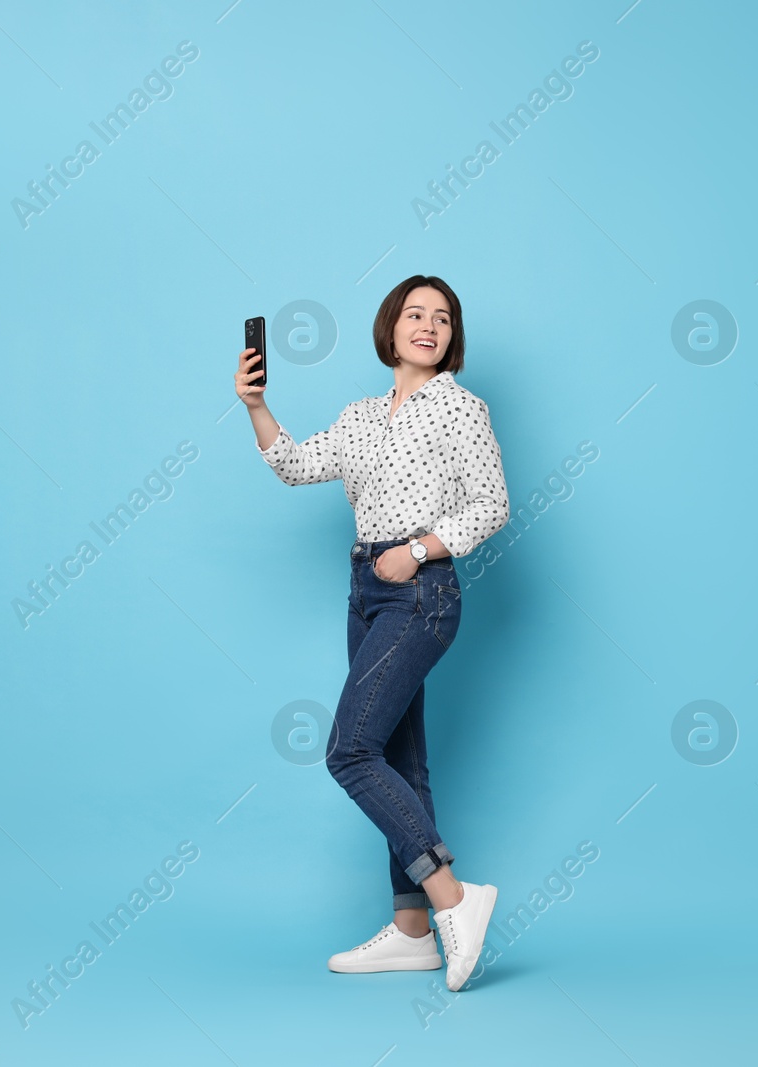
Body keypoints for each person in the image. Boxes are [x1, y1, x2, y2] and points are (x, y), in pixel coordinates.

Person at [236, 274, 510, 992]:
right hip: (363, 592)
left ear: (452, 339)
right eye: (415, 314)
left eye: (443, 318)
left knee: (350, 751)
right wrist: (257, 406)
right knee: (399, 757)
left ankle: (452, 894)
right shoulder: (360, 415)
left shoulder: (461, 408)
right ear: (390, 328)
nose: (428, 325)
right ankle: (414, 931)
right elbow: (295, 466)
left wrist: (418, 549)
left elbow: (493, 504)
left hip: (420, 593)